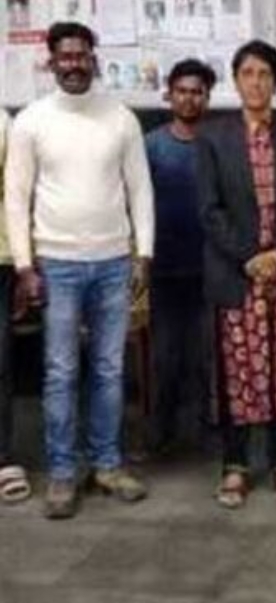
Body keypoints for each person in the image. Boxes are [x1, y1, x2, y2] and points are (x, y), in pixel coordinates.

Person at [5, 22, 155, 519]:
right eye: (64, 56)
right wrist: (25, 266)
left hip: (114, 262)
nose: (73, 64)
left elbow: (140, 190)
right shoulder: (31, 121)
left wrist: (143, 255)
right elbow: (16, 198)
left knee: (110, 370)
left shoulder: (121, 118)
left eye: (81, 55)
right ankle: (63, 472)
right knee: (61, 371)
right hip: (57, 265)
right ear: (51, 62)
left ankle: (107, 464)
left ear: (94, 58)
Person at [196, 40, 276, 510]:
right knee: (239, 369)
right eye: (247, 73)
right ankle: (236, 464)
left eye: (265, 74)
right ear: (235, 80)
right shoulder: (214, 136)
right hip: (237, 273)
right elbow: (210, 210)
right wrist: (250, 257)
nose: (256, 82)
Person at [145, 58, 216, 457]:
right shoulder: (151, 145)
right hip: (164, 269)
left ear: (207, 98)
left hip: (210, 269)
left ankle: (203, 437)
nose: (189, 98)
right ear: (169, 95)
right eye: (182, 91)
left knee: (204, 358)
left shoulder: (218, 143)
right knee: (165, 357)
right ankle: (161, 435)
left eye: (197, 92)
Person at [0, 108, 31, 506]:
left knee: (0, 362)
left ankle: (2, 457)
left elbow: (16, 196)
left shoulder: (2, 123)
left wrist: (24, 262)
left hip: (0, 258)